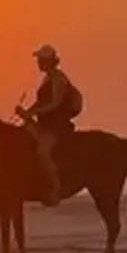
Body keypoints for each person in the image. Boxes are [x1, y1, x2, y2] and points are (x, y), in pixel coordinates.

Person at [16, 44, 82, 207]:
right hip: (45, 122)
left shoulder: (59, 78)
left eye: (40, 59)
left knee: (43, 151)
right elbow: (40, 102)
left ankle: (56, 189)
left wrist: (33, 113)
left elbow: (55, 102)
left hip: (56, 124)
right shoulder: (47, 78)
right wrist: (27, 112)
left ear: (48, 61)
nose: (38, 63)